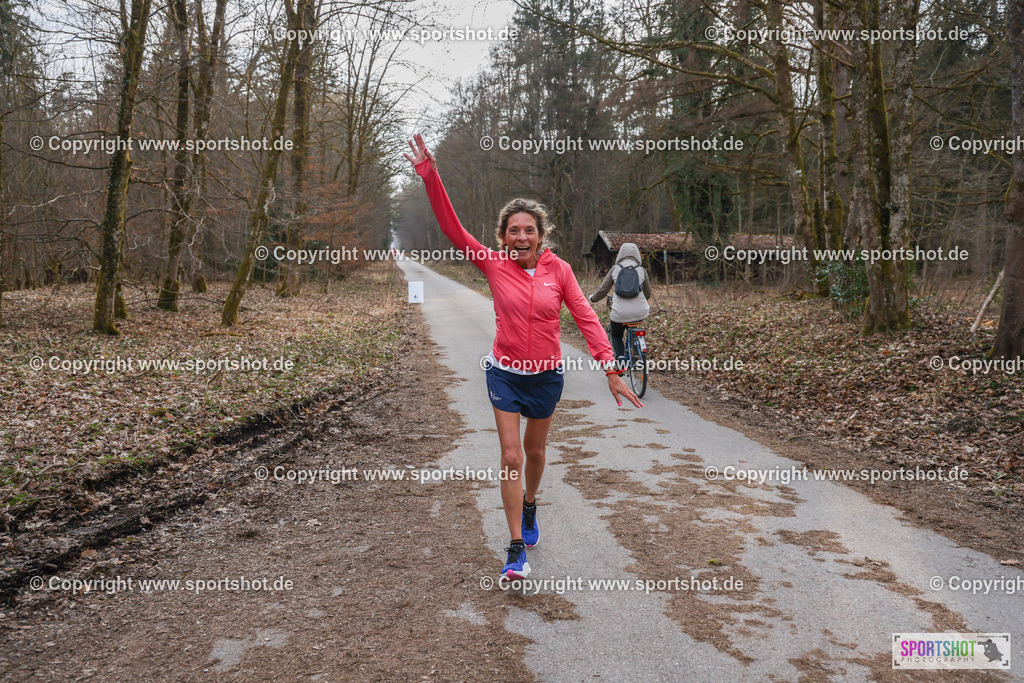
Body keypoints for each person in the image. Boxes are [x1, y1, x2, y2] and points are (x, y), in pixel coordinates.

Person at [404, 134, 643, 580]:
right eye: (513, 230)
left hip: (547, 377)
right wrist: (431, 177)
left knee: (535, 452)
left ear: (540, 235)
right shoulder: (493, 264)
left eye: (528, 229)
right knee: (511, 455)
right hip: (505, 374)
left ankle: (531, 505)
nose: (520, 236)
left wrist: (610, 368)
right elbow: (454, 230)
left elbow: (588, 319)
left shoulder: (561, 272)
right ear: (503, 236)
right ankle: (515, 548)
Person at [589, 242, 653, 362]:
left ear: (620, 255)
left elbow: (603, 290)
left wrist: (593, 298)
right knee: (633, 324)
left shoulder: (615, 269)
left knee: (616, 335)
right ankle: (636, 352)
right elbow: (648, 292)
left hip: (620, 313)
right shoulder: (641, 270)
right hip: (639, 312)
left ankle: (621, 357)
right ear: (637, 255)